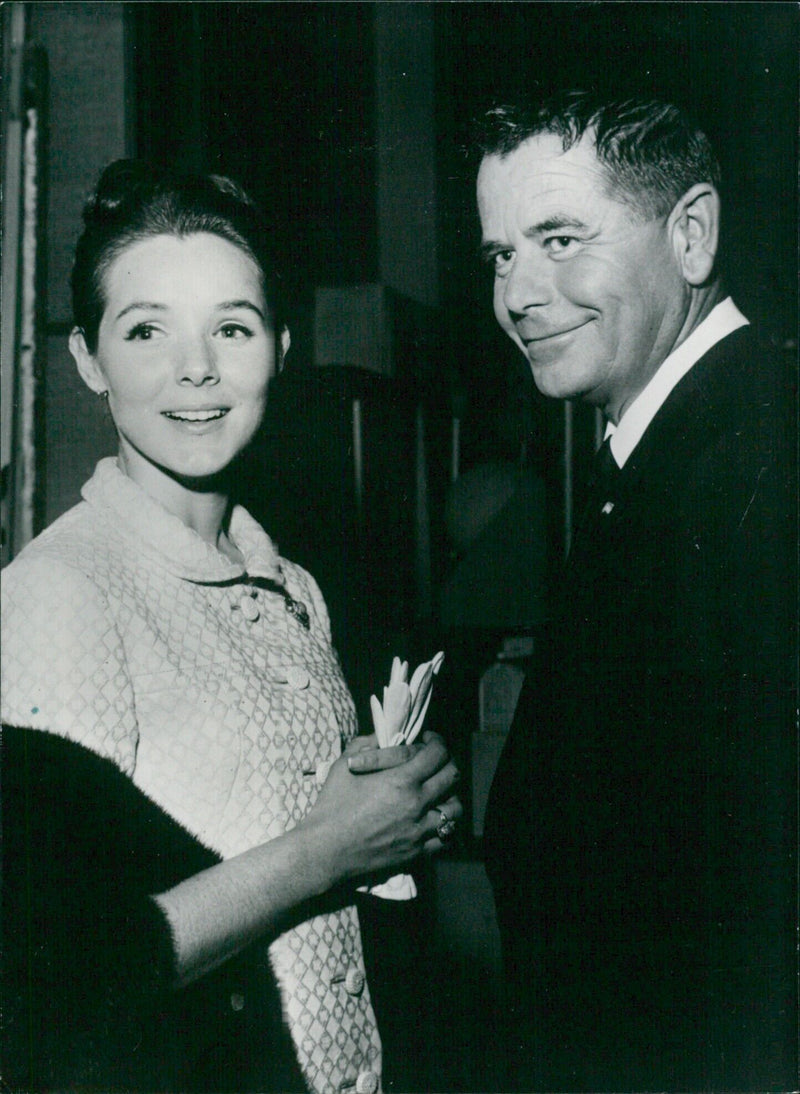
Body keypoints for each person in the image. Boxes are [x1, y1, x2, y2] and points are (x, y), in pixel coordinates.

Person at [1, 160, 462, 1094]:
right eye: (146, 331)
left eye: (232, 328)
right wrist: (332, 848)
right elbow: (54, 983)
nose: (196, 367)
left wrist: (400, 814)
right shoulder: (55, 595)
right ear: (87, 358)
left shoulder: (292, 584)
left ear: (282, 346)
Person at [476, 90, 796, 1090]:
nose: (519, 294)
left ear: (690, 234)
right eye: (498, 255)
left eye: (560, 238)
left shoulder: (755, 463)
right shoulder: (671, 456)